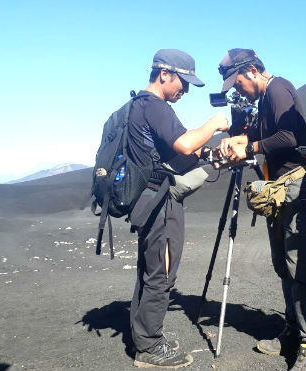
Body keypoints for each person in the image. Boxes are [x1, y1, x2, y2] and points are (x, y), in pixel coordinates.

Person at [216, 48, 306, 371]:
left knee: (299, 263)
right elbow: (267, 133)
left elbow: (292, 135)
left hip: (296, 185)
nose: (237, 91)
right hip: (278, 187)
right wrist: (239, 138)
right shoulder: (264, 99)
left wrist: (250, 146)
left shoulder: (278, 89)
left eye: (237, 83)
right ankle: (293, 331)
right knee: (283, 263)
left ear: (251, 70)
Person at [127, 49, 229, 368]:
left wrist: (205, 155)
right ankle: (149, 346)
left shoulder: (139, 106)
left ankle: (144, 334)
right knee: (162, 271)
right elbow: (185, 144)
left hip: (148, 197)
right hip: (159, 201)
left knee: (151, 267)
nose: (184, 90)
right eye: (183, 83)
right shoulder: (155, 106)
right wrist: (215, 123)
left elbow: (175, 150)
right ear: (164, 74)